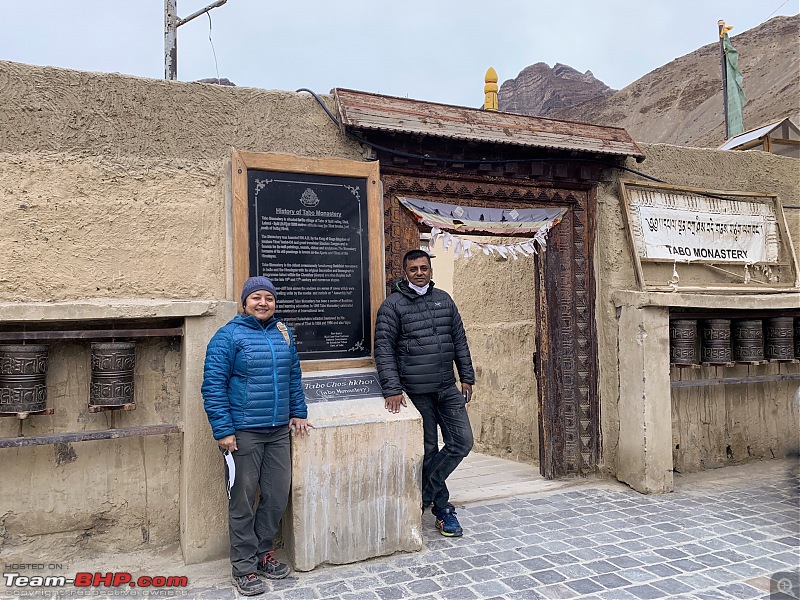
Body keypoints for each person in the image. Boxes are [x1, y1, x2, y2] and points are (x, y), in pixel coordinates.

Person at [202, 276, 313, 597]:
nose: (263, 303)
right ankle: (244, 567)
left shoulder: (283, 334)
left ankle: (264, 553)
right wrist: (223, 430)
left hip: (278, 431)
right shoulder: (228, 337)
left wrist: (299, 411)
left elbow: (293, 375)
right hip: (243, 434)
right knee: (242, 502)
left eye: (269, 298)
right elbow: (213, 386)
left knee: (277, 496)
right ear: (245, 301)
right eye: (256, 298)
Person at [374, 249, 475, 537]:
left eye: (423, 268)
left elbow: (459, 339)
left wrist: (466, 376)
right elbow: (383, 350)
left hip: (446, 387)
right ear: (405, 273)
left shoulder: (444, 300)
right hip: (417, 392)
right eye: (413, 269)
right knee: (428, 450)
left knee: (462, 442)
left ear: (430, 270)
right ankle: (443, 510)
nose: (419, 273)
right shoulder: (392, 306)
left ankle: (423, 496)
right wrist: (392, 388)